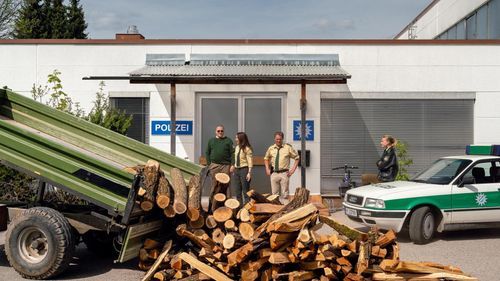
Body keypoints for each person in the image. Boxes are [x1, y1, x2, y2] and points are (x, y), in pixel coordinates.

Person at [264, 131, 300, 203]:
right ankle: (275, 210)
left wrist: (292, 170)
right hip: (274, 173)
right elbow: (266, 158)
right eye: (277, 139)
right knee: (274, 195)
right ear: (274, 139)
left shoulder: (288, 148)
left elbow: (297, 158)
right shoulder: (271, 148)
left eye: (280, 139)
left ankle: (285, 210)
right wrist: (267, 169)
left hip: (284, 173)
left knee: (285, 195)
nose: (278, 141)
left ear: (282, 139)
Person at [205, 125, 234, 211]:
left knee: (226, 186)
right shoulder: (211, 141)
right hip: (215, 166)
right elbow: (207, 152)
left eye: (221, 131)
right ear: (215, 131)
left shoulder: (228, 141)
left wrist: (232, 165)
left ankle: (227, 207)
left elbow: (232, 153)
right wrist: (209, 164)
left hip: (226, 166)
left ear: (223, 131)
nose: (220, 132)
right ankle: (211, 207)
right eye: (218, 131)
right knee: (214, 186)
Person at [230, 132, 253, 205]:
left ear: (241, 138)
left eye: (237, 138)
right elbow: (236, 158)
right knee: (237, 191)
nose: (235, 139)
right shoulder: (237, 147)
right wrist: (233, 166)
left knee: (245, 191)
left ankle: (246, 209)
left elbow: (250, 161)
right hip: (237, 170)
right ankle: (239, 209)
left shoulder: (247, 149)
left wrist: (249, 173)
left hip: (244, 169)